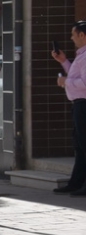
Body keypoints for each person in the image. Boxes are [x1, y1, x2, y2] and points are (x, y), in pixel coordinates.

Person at [52, 21, 86, 195]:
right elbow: (76, 73)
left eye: (74, 34)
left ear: (82, 35)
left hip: (84, 105)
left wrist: (66, 82)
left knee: (83, 145)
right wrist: (64, 61)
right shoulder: (82, 55)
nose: (71, 38)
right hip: (79, 105)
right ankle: (76, 183)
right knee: (80, 146)